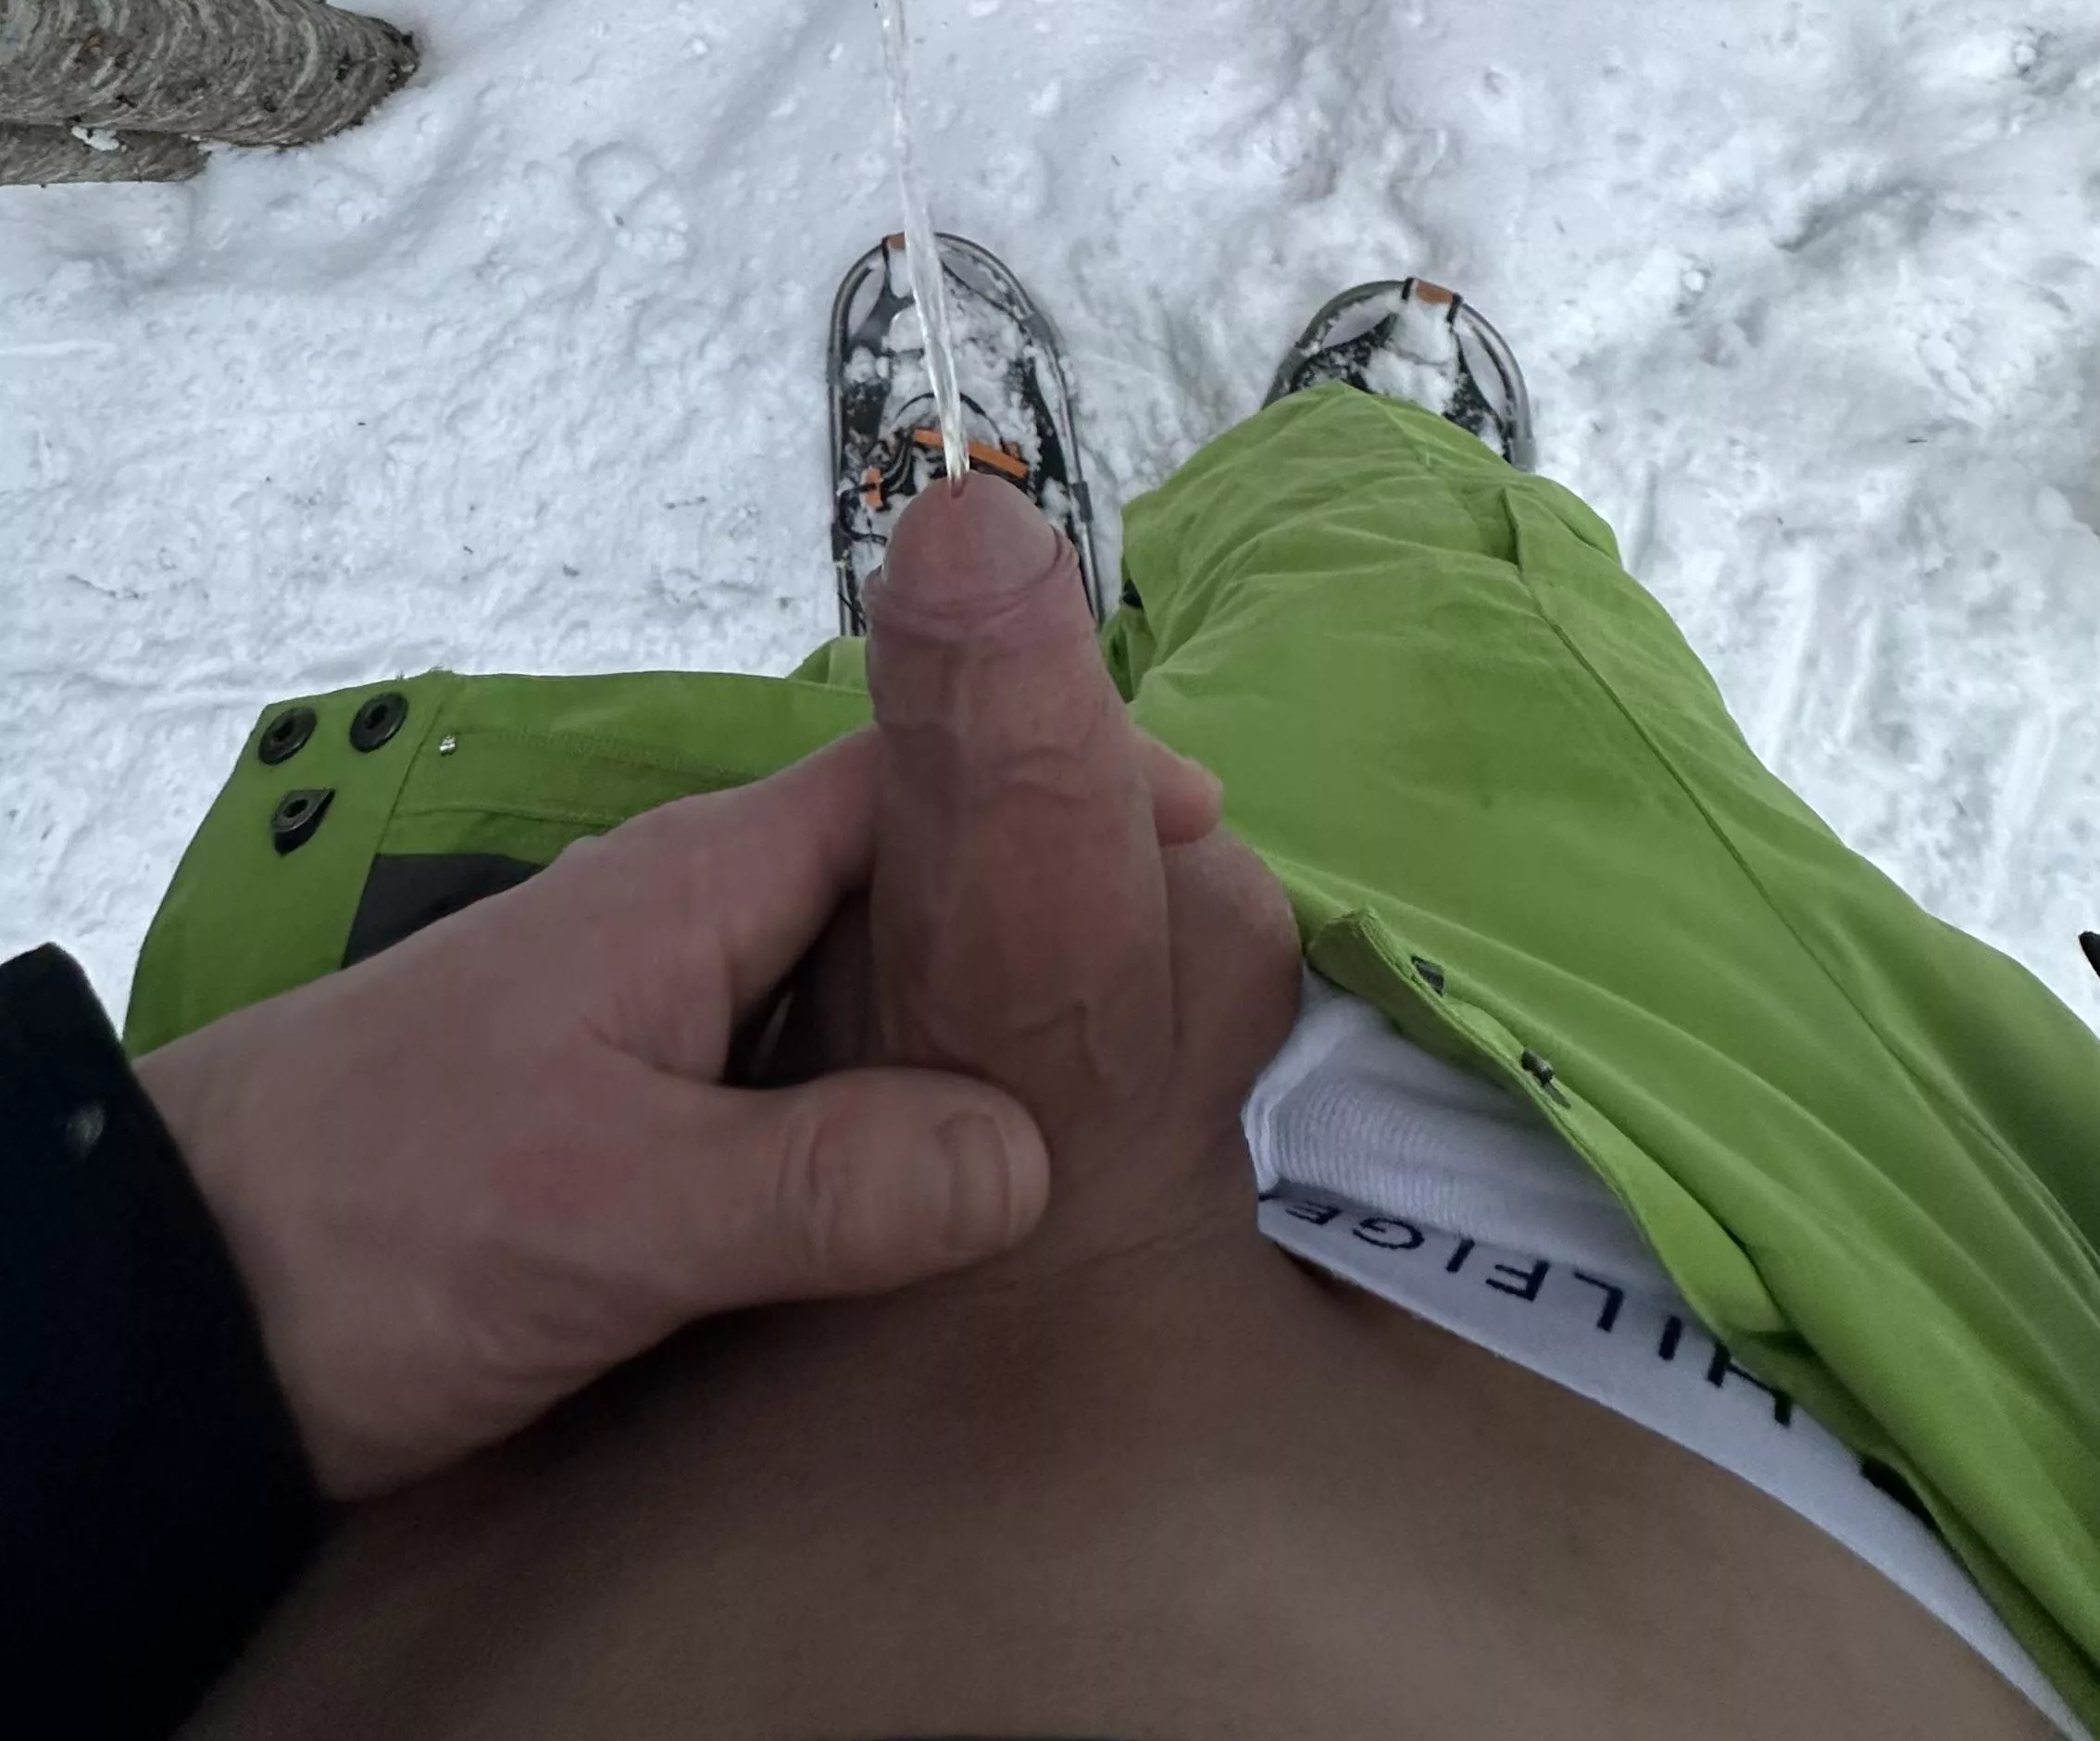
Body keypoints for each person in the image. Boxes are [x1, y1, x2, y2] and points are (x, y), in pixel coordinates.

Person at [10, 267, 2100, 1739]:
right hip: (1767, 1232)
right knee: (1435, 643)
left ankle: (973, 557)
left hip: (477, 1326)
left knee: (843, 789)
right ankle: (1355, 472)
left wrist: (138, 1296)